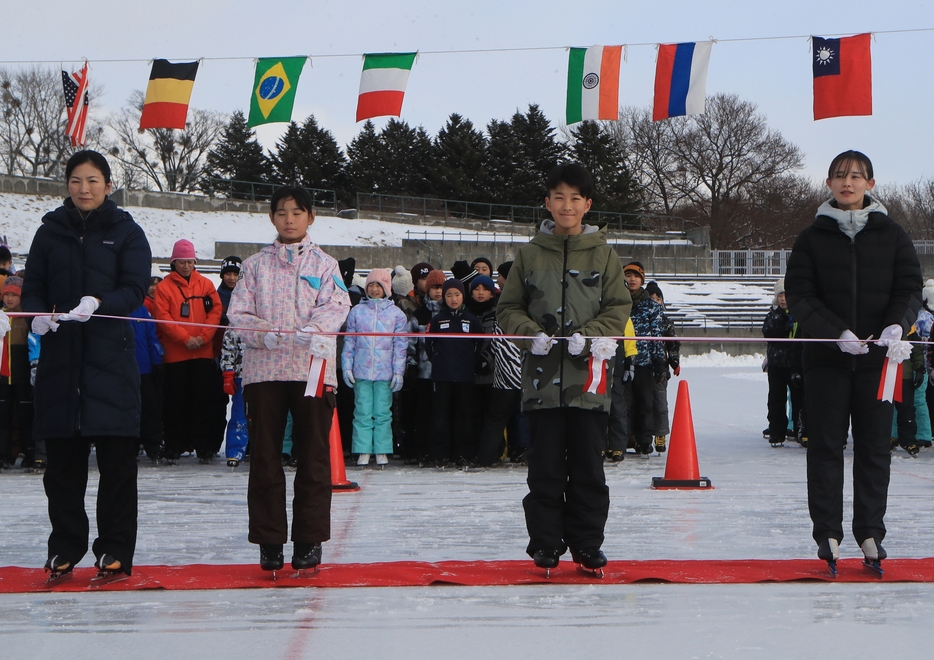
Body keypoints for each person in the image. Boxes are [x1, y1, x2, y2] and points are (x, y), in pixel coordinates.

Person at [785, 150, 922, 573]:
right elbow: (801, 296)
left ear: (871, 184)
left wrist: (897, 325)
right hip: (826, 359)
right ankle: (827, 533)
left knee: (875, 448)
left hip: (878, 363)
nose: (849, 182)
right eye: (840, 176)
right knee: (825, 446)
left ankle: (870, 533)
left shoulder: (893, 235)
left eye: (857, 176)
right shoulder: (811, 238)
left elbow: (909, 288)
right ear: (828, 184)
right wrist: (835, 333)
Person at [21, 149, 151, 581]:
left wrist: (99, 303)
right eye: (76, 181)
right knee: (62, 469)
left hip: (110, 360)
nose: (84, 189)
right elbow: (33, 286)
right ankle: (64, 548)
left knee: (116, 467)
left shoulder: (126, 232)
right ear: (67, 185)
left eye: (93, 180)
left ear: (108, 185)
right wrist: (37, 314)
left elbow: (135, 288)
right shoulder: (49, 234)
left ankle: (114, 550)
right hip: (61, 363)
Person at [497, 162, 630, 574]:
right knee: (545, 467)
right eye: (559, 197)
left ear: (587, 204)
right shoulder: (530, 254)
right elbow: (508, 308)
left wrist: (588, 335)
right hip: (541, 383)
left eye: (575, 198)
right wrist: (528, 333)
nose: (567, 205)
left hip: (588, 383)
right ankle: (546, 544)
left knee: (589, 467)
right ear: (547, 203)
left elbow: (618, 308)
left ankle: (588, 544)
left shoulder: (605, 255)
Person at [227, 185, 350, 574]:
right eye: (282, 212)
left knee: (313, 454)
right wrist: (263, 333)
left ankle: (309, 540)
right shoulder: (253, 266)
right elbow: (239, 314)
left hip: (312, 369)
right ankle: (269, 541)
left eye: (297, 212)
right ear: (272, 218)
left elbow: (338, 304)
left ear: (310, 216)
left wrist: (313, 330)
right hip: (264, 372)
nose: (290, 219)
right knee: (264, 455)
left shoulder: (326, 265)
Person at [152, 239, 222, 464]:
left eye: (190, 261)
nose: (186, 265)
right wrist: (185, 339)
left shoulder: (206, 285)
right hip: (176, 355)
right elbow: (163, 319)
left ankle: (203, 447)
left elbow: (216, 312)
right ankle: (174, 446)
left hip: (203, 353)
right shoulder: (164, 288)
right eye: (181, 261)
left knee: (203, 402)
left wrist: (203, 337)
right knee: (174, 403)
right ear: (174, 262)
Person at [341, 268, 407, 467]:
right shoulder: (357, 312)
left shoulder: (397, 314)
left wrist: (398, 372)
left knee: (382, 412)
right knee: (361, 411)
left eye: (379, 285)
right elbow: (349, 342)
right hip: (361, 371)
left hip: (384, 373)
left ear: (386, 288)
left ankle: (382, 449)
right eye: (371, 285)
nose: (375, 289)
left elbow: (400, 345)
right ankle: (362, 449)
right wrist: (346, 367)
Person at [426, 278, 483, 467]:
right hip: (442, 376)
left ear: (463, 296)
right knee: (440, 416)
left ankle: (463, 453)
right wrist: (439, 361)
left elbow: (479, 345)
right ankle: (440, 454)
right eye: (449, 295)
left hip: (465, 376)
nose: (453, 299)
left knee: (464, 416)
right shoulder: (437, 319)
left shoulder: (471, 319)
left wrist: (471, 364)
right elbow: (429, 345)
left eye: (457, 295)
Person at [622, 262, 667, 456]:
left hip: (643, 362)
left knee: (644, 404)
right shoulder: (616, 302)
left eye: (636, 276)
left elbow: (656, 335)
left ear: (642, 280)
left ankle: (644, 440)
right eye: (628, 275)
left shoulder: (651, 306)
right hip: (620, 361)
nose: (632, 279)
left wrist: (659, 361)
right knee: (623, 404)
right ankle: (621, 440)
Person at [0, 276, 38, 469]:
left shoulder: (26, 317)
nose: (9, 298)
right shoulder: (1, 317)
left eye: (13, 294)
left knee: (25, 417)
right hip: (4, 377)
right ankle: (4, 454)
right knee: (3, 417)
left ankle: (29, 452)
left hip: (23, 376)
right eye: (6, 294)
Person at [761, 278, 804, 447]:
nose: (783, 299)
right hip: (777, 364)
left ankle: (798, 429)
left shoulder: (798, 315)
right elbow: (768, 333)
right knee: (776, 399)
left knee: (798, 398)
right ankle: (777, 431)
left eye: (786, 295)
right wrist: (783, 326)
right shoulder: (772, 315)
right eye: (780, 295)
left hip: (795, 364)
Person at [645, 281, 680, 452]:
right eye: (651, 298)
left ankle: (660, 435)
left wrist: (674, 362)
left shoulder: (665, 322)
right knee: (642, 403)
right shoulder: (640, 319)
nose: (655, 301)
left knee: (659, 402)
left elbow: (673, 345)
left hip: (660, 370)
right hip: (642, 367)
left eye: (658, 298)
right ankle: (641, 437)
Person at [129, 303, 165, 464]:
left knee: (150, 408)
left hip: (144, 368)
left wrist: (157, 361)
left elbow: (152, 336)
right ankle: (129, 446)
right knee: (126, 410)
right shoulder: (112, 309)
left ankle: (154, 445)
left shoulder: (141, 310)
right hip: (120, 370)